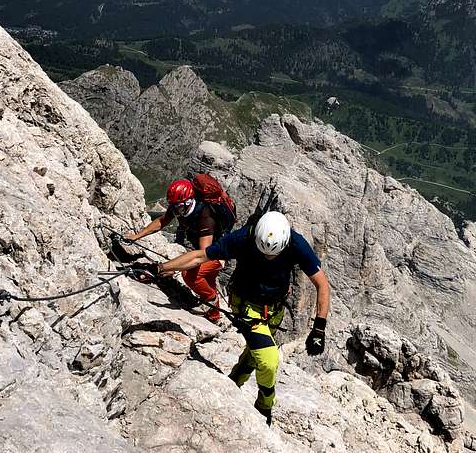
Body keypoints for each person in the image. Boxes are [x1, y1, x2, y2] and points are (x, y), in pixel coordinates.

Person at [143, 210, 330, 425]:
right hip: (247, 307)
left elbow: (321, 284)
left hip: (274, 309)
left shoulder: (296, 243)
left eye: (274, 254)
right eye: (264, 253)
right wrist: (159, 268)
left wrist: (319, 327)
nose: (269, 257)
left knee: (254, 354)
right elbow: (199, 256)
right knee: (268, 360)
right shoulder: (243, 238)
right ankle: (264, 406)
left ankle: (233, 383)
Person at [115, 179, 224, 322]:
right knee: (207, 280)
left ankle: (211, 301)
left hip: (216, 252)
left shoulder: (205, 217)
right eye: (173, 206)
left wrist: (172, 268)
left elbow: (203, 255)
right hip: (203, 247)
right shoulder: (180, 206)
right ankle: (214, 315)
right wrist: (137, 236)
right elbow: (163, 221)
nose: (175, 211)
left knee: (190, 275)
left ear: (189, 202)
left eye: (178, 207)